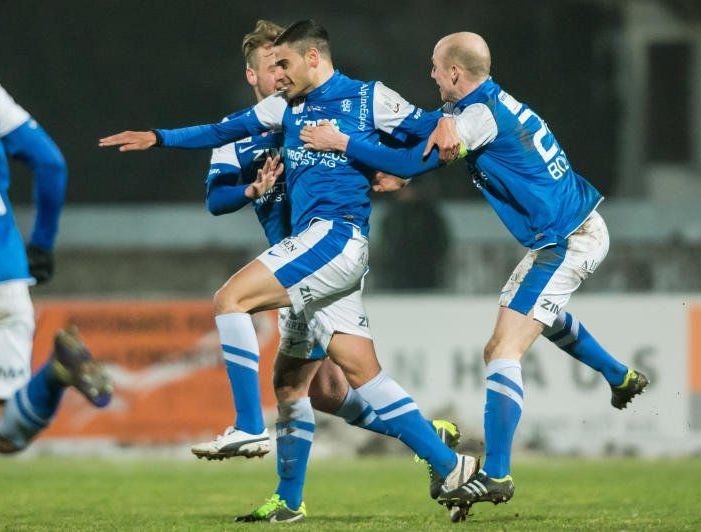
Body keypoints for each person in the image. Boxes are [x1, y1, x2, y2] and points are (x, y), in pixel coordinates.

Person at [99, 20, 471, 523]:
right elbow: (218, 141)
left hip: (328, 242)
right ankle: (445, 461)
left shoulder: (365, 98)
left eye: (284, 63)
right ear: (254, 74)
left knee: (230, 299)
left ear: (309, 58)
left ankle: (249, 426)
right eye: (269, 67)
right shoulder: (278, 111)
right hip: (303, 257)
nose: (278, 74)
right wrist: (157, 138)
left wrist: (420, 141)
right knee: (321, 384)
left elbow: (430, 138)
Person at [299, 31, 649, 519]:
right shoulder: (483, 107)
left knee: (501, 350)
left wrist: (344, 142)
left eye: (436, 68)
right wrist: (418, 146)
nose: (431, 75)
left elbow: (413, 161)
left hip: (570, 238)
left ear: (455, 74)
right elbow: (423, 150)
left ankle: (499, 474)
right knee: (538, 314)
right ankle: (620, 376)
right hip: (566, 233)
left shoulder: (478, 117)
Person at [0, 84, 112, 453]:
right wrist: (42, 244)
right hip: (7, 272)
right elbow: (50, 163)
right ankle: (53, 376)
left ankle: (54, 376)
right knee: (7, 430)